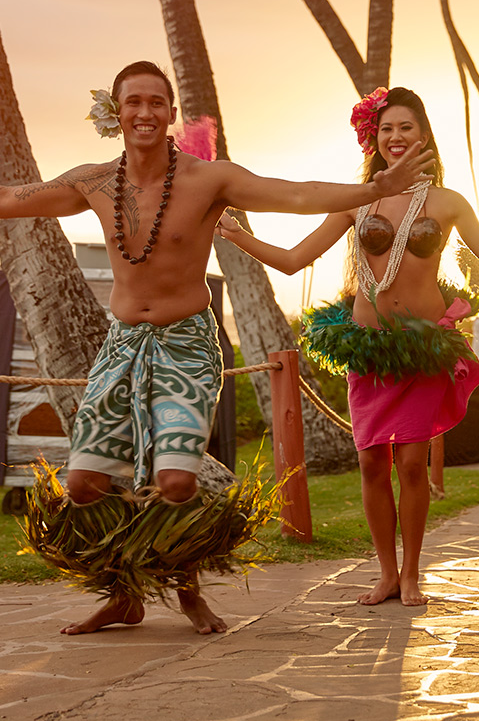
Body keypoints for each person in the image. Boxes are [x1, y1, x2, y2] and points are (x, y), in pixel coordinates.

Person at [1, 61, 432, 636]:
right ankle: (124, 593)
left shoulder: (209, 179)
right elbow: (13, 197)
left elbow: (297, 194)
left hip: (185, 343)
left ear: (172, 113)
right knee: (83, 485)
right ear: (116, 112)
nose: (145, 113)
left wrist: (372, 189)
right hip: (120, 343)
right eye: (134, 102)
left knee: (176, 481)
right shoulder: (93, 182)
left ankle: (187, 592)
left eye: (157, 102)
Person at [218, 86, 479, 606]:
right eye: (386, 129)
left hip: (422, 351)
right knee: (372, 464)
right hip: (370, 350)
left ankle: (411, 573)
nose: (396, 137)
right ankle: (385, 571)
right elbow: (294, 260)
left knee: (410, 464)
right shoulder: (359, 202)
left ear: (424, 134)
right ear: (374, 140)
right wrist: (237, 232)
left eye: (406, 127)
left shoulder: (449, 203)